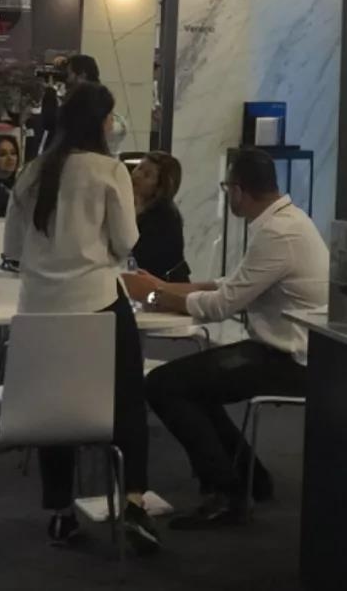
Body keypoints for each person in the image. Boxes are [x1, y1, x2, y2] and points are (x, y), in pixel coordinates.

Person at [133, 147, 328, 530]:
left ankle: (226, 492)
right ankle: (251, 478)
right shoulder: (287, 221)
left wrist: (153, 296)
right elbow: (233, 283)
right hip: (290, 350)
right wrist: (165, 287)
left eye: (227, 188)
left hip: (290, 360)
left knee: (163, 384)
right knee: (192, 382)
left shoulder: (278, 233)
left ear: (238, 190)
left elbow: (221, 305)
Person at [3, 81, 160, 554]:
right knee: (127, 401)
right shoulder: (109, 170)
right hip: (99, 304)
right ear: (101, 122)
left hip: (39, 309)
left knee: (55, 409)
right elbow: (127, 242)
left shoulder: (31, 172)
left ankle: (60, 511)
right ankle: (133, 501)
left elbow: (13, 251)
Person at [131, 150, 190, 282]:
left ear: (160, 187)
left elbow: (140, 257)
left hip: (166, 286)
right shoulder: (136, 206)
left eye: (147, 175)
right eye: (139, 168)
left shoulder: (164, 216)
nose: (137, 175)